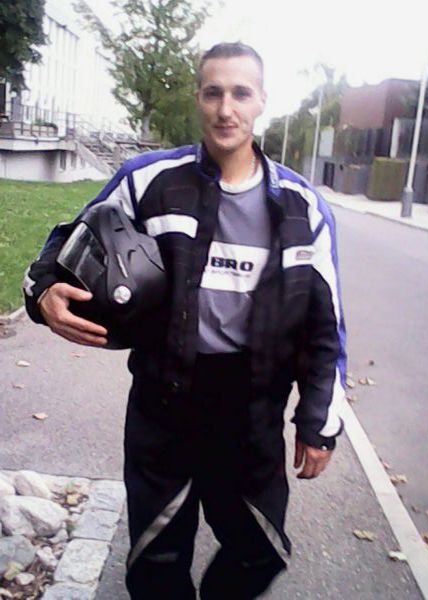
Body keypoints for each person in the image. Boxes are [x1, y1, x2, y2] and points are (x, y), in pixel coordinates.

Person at [23, 42, 346, 599]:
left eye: (240, 93)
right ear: (198, 98)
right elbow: (68, 243)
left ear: (261, 102)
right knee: (157, 560)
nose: (226, 109)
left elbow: (326, 327)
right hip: (164, 403)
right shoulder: (148, 179)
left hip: (251, 411)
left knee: (260, 552)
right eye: (213, 93)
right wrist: (44, 291)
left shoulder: (303, 207)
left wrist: (318, 423)